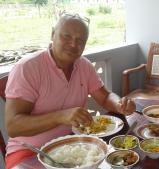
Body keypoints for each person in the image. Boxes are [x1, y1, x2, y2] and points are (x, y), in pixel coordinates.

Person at [4, 12, 136, 169]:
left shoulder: (84, 65)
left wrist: (119, 104)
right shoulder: (27, 68)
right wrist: (60, 117)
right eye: (66, 36)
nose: (73, 44)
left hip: (74, 146)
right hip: (28, 152)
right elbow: (13, 126)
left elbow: (105, 97)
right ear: (53, 34)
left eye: (80, 40)